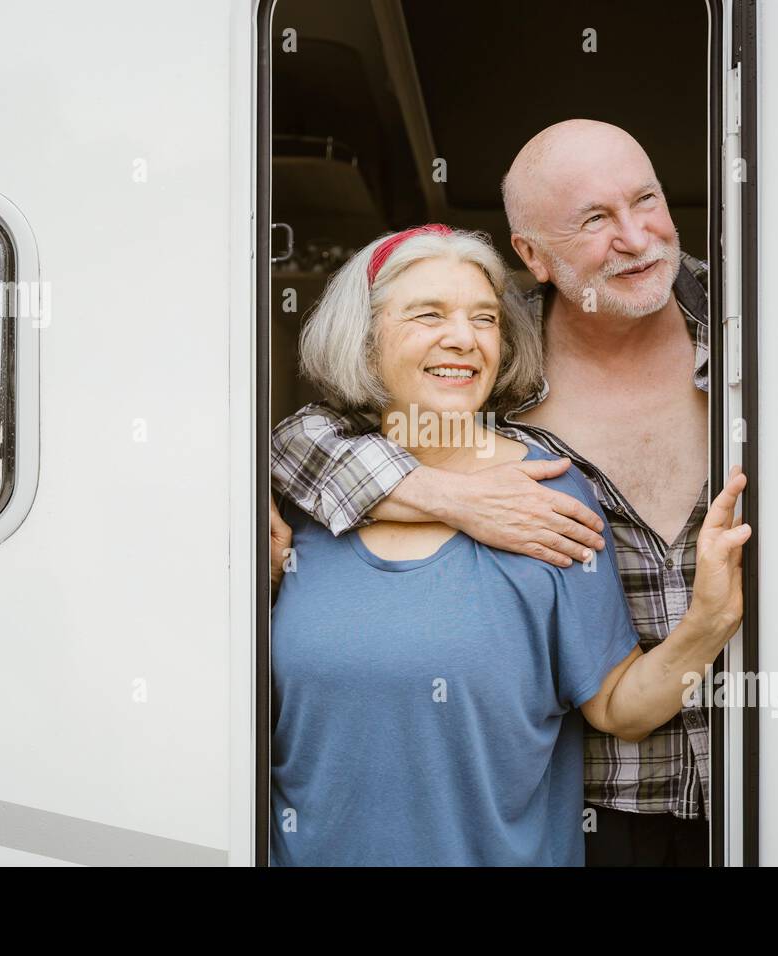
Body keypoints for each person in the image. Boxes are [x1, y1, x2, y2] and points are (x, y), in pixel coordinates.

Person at [271, 119, 732, 865]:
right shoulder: (310, 500)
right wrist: (454, 497)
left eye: (644, 200)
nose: (635, 236)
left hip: (765, 785)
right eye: (593, 218)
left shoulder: (762, 324)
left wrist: (712, 619)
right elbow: (292, 445)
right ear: (534, 254)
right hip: (610, 803)